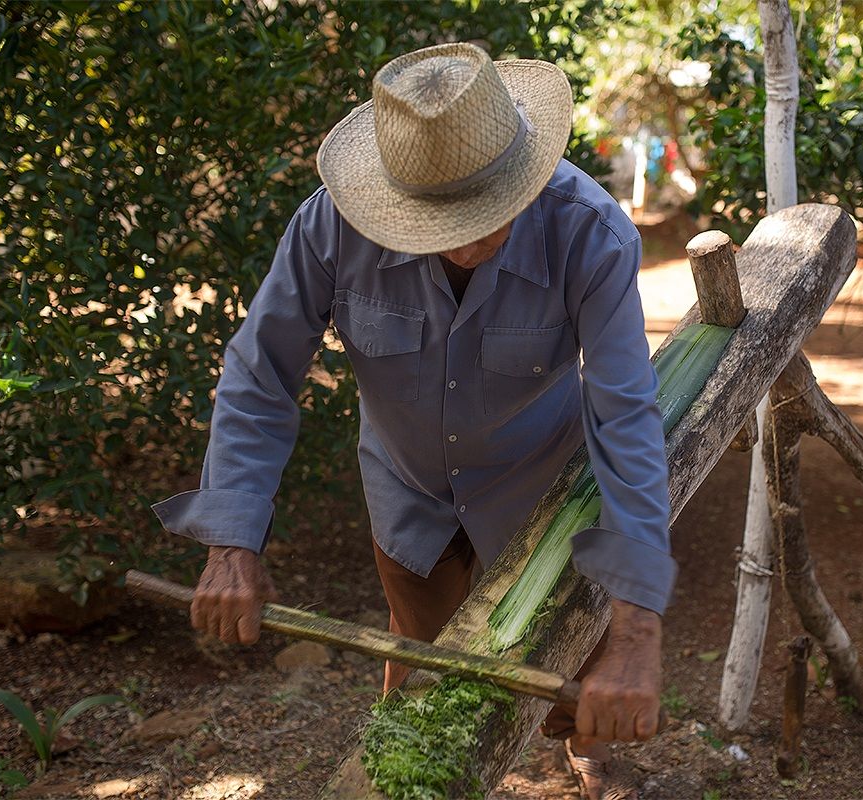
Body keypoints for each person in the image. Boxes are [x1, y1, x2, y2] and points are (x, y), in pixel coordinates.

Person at [152, 42, 675, 800]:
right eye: (439, 224)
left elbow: (626, 416)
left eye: (492, 215)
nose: (469, 242)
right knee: (423, 698)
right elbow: (261, 374)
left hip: (546, 496)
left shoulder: (590, 231)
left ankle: (588, 754)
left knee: (579, 686)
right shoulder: (329, 228)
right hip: (410, 503)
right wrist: (231, 543)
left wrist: (637, 633)